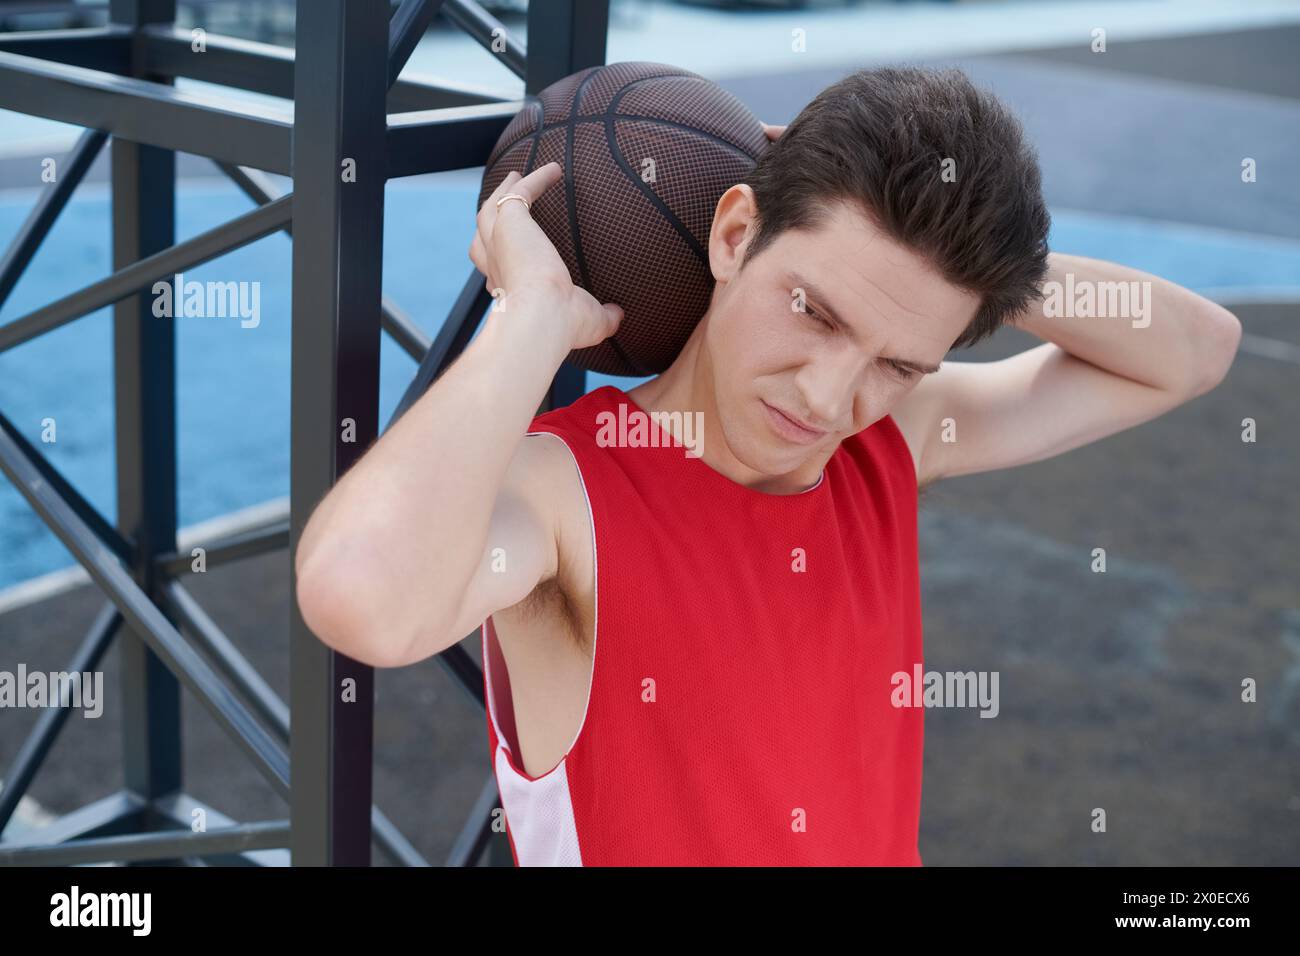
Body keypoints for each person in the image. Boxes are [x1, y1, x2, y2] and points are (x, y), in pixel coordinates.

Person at [293, 67, 1241, 866]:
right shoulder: (566, 496)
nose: (829, 400)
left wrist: (993, 275)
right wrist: (530, 317)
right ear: (736, 233)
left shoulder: (892, 440)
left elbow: (1195, 351)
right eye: (816, 312)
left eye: (897, 361)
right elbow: (359, 596)